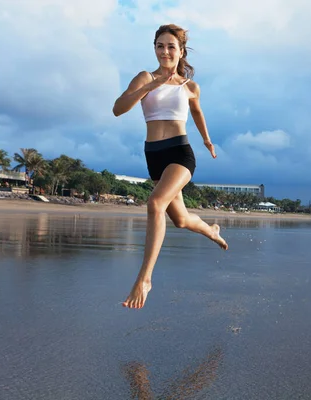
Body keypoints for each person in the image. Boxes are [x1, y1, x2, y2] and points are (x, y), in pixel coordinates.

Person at [113, 24, 228, 310]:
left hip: (180, 153)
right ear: (155, 48)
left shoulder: (189, 86)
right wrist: (151, 86)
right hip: (154, 155)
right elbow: (118, 108)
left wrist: (207, 140)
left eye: (171, 47)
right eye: (160, 46)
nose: (165, 51)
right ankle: (211, 230)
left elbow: (197, 112)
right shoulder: (145, 77)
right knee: (180, 219)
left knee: (155, 204)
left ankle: (145, 278)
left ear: (181, 51)